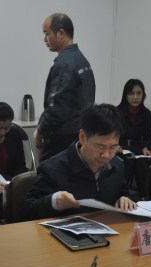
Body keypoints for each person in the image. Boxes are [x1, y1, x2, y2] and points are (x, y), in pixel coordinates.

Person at [21, 103, 136, 221]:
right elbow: (26, 211)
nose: (106, 155)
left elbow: (122, 191)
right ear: (82, 137)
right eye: (100, 146)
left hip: (108, 229)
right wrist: (54, 201)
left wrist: (125, 198)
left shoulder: (117, 166)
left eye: (113, 147)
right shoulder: (53, 168)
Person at [34, 13, 96, 162]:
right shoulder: (81, 59)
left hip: (62, 137)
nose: (44, 39)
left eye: (46, 33)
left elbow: (57, 107)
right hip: (79, 133)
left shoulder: (64, 64)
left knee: (48, 173)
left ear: (61, 33)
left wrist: (41, 130)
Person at [116, 79, 151, 199]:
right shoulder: (117, 111)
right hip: (120, 148)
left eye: (139, 93)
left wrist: (146, 147)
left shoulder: (146, 113)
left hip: (138, 149)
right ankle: (120, 195)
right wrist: (115, 145)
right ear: (125, 95)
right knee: (127, 161)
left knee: (142, 162)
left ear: (143, 95)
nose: (135, 97)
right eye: (131, 93)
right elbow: (112, 134)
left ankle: (143, 197)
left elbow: (147, 137)